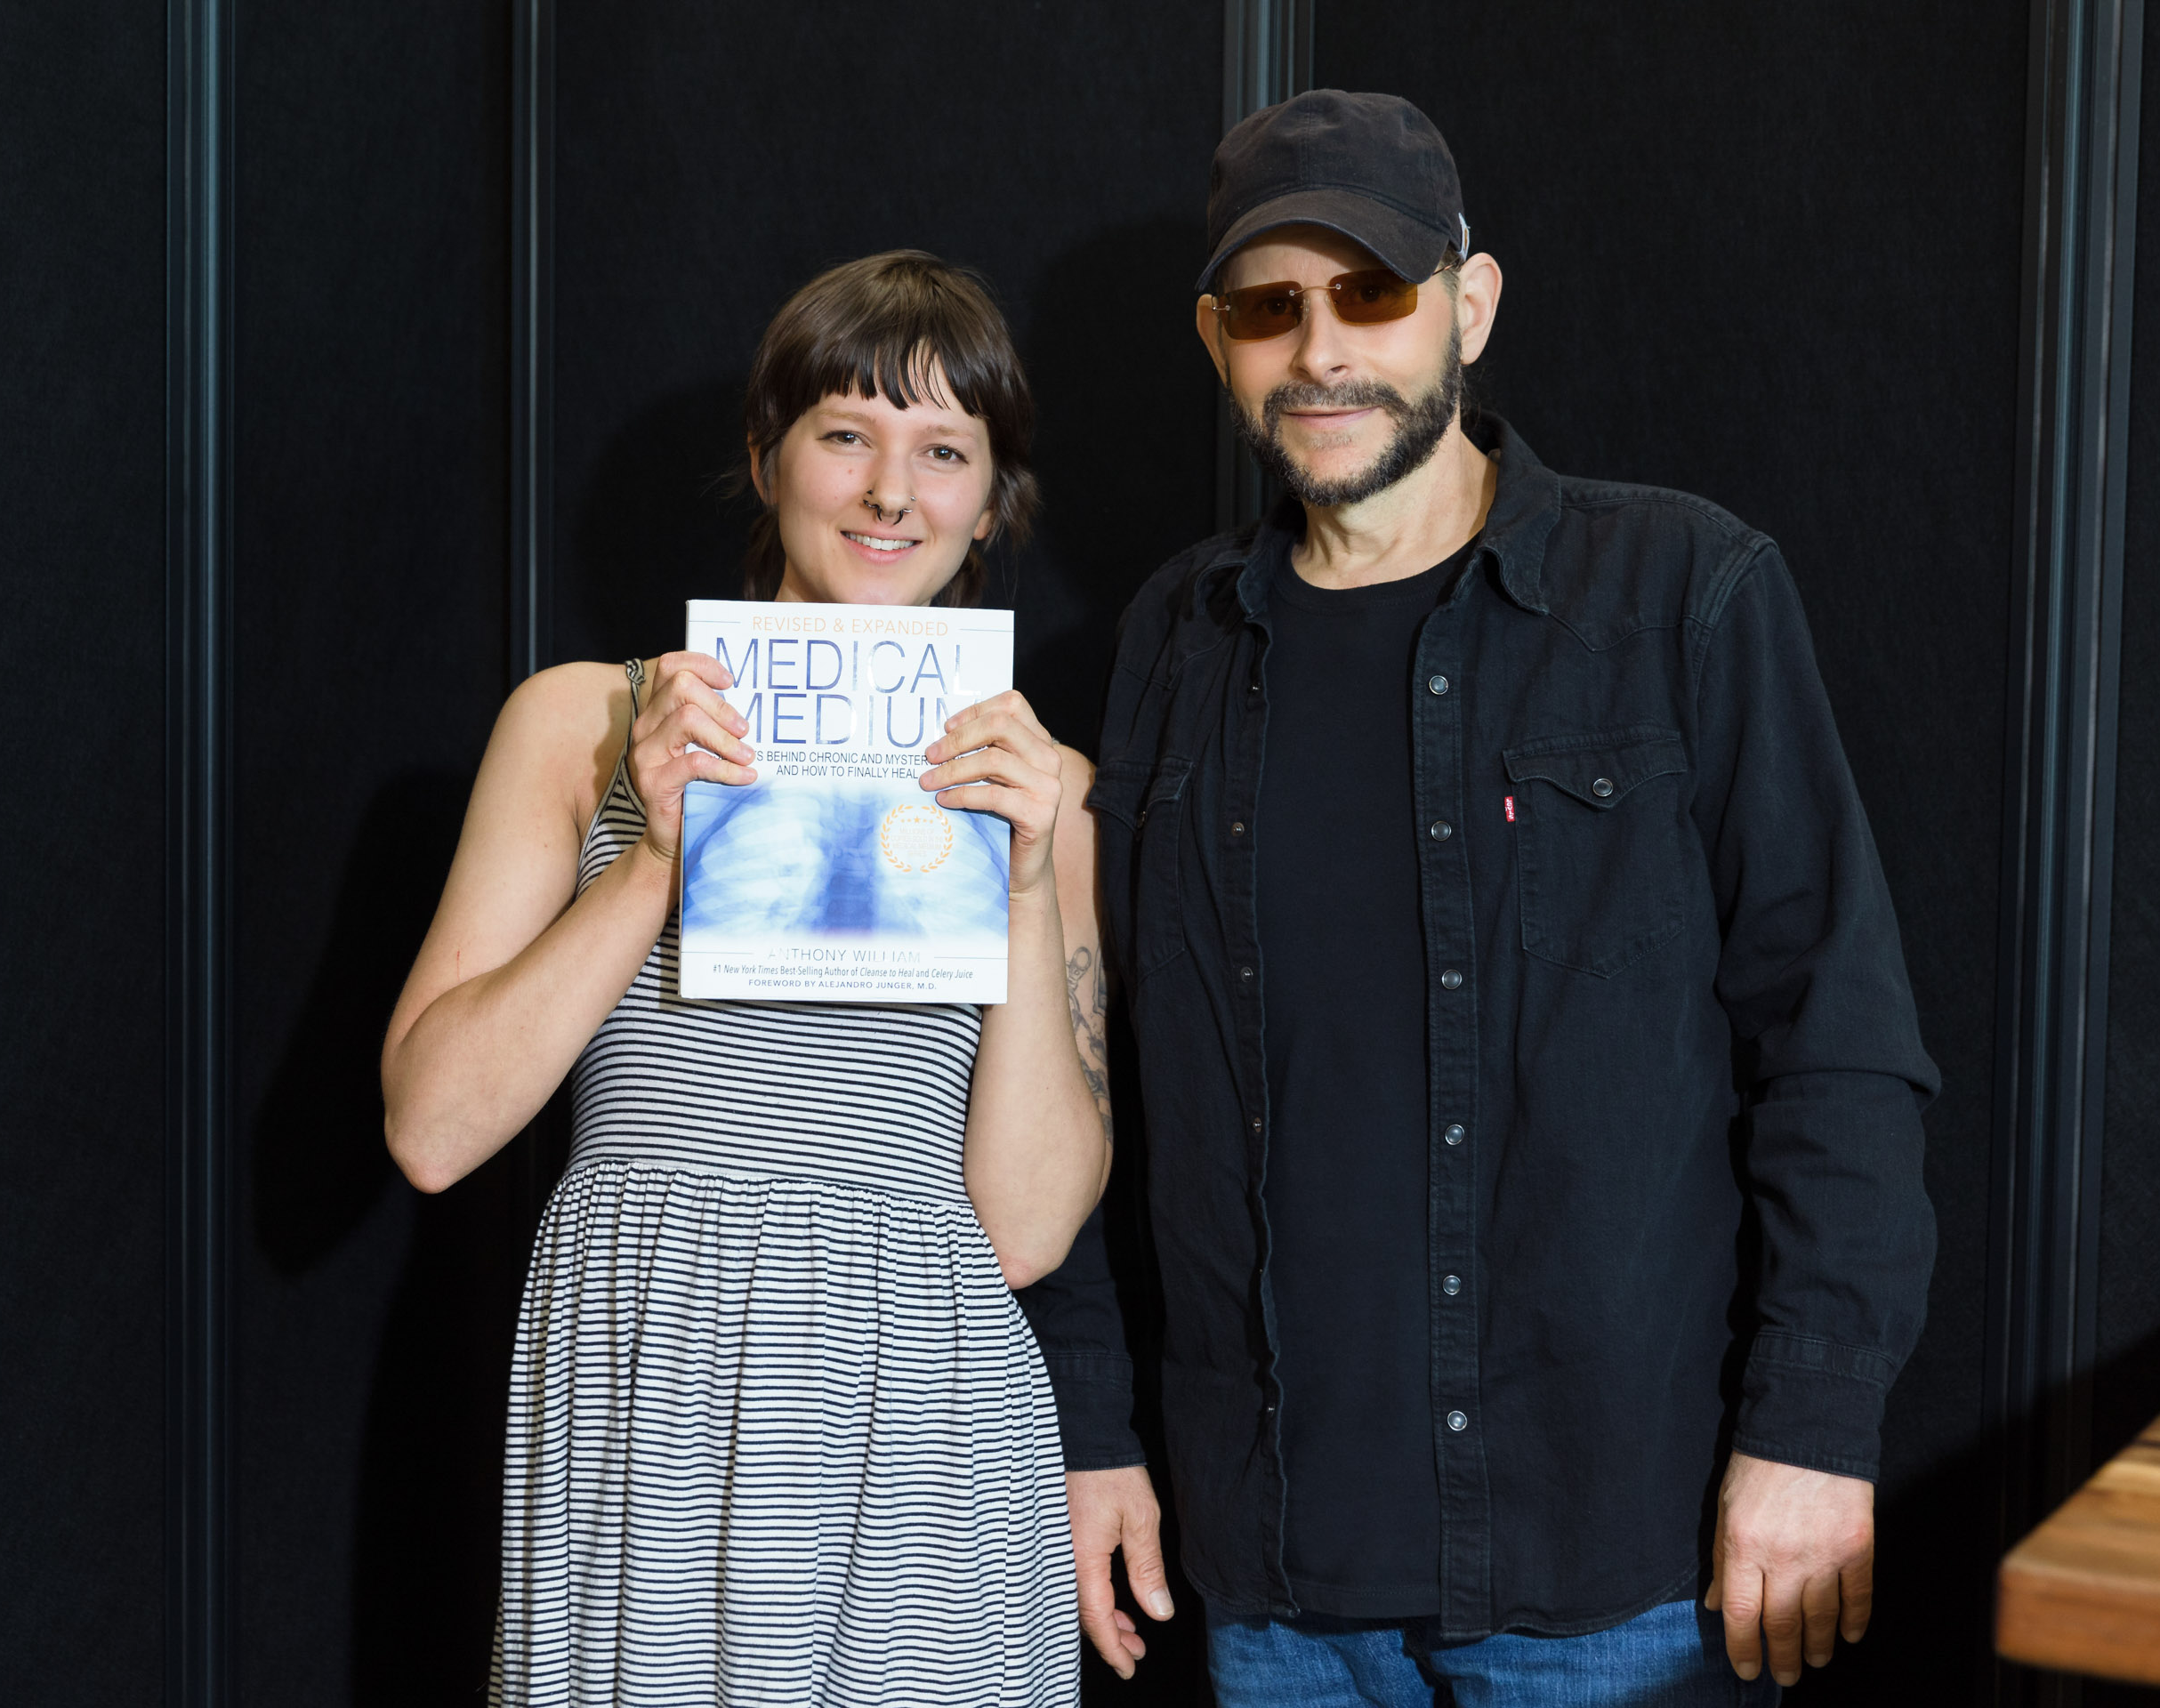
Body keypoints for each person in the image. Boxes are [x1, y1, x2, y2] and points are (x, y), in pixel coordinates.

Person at [1021, 91, 1939, 1704]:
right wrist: (1088, 1426)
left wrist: (1814, 1429)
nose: (1321, 351)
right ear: (1218, 342)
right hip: (1271, 1581)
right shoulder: (1177, 637)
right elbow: (1092, 1075)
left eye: (1372, 291)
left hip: (1611, 1571)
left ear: (1471, 303)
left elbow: (1837, 1044)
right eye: (1269, 309)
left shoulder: (1680, 592)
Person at [382, 250, 1108, 1706]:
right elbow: (434, 1128)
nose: (891, 493)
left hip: (923, 1412)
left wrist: (1028, 884)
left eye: (944, 452)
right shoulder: (586, 725)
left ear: (992, 501)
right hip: (651, 1380)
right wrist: (658, 855)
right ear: (769, 458)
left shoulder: (1042, 793)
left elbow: (1027, 1230)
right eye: (847, 434)